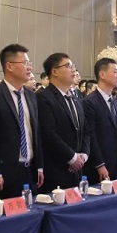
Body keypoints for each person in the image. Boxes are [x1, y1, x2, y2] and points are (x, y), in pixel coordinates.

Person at [0, 44, 44, 199]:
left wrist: (40, 166)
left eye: (30, 63)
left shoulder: (31, 95)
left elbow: (35, 133)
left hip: (30, 170)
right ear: (9, 66)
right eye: (25, 63)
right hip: (5, 173)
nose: (30, 68)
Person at [37, 53, 87, 192]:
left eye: (73, 66)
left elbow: (85, 129)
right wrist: (71, 157)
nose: (73, 70)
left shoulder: (76, 98)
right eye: (68, 66)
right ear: (54, 72)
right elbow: (48, 133)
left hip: (78, 169)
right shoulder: (43, 97)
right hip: (56, 170)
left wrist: (84, 154)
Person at [82, 58, 117, 183]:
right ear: (102, 74)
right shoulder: (89, 102)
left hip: (115, 164)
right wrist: (99, 164)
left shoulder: (115, 100)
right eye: (115, 72)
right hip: (98, 166)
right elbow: (91, 136)